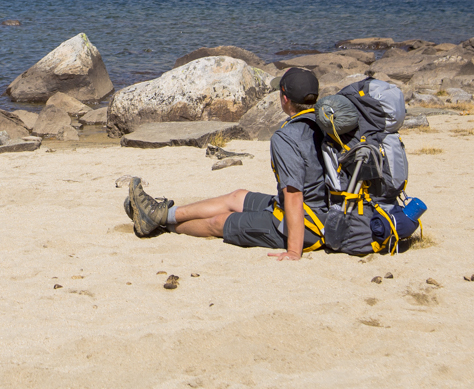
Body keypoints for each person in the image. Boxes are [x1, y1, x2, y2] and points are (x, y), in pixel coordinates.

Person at [124, 68, 327, 261]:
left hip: (308, 223)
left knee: (219, 222)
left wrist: (293, 250)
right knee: (237, 196)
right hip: (303, 209)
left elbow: (293, 194)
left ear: (284, 99)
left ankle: (163, 227)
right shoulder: (324, 123)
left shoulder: (286, 138)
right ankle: (159, 215)